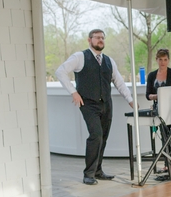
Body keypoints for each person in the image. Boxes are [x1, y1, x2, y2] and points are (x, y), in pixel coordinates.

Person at [56, 29, 135, 185]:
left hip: (106, 103)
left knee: (103, 138)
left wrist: (130, 100)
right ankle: (88, 173)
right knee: (96, 135)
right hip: (88, 103)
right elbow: (60, 71)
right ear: (89, 40)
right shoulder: (80, 57)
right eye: (97, 37)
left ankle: (98, 171)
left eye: (103, 38)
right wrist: (73, 92)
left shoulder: (109, 61)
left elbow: (118, 82)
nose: (101, 40)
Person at [146, 48, 171, 173]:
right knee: (164, 137)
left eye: (165, 59)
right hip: (160, 109)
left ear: (168, 60)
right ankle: (167, 164)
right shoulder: (152, 75)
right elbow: (148, 94)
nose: (163, 62)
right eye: (160, 59)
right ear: (156, 60)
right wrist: (156, 96)